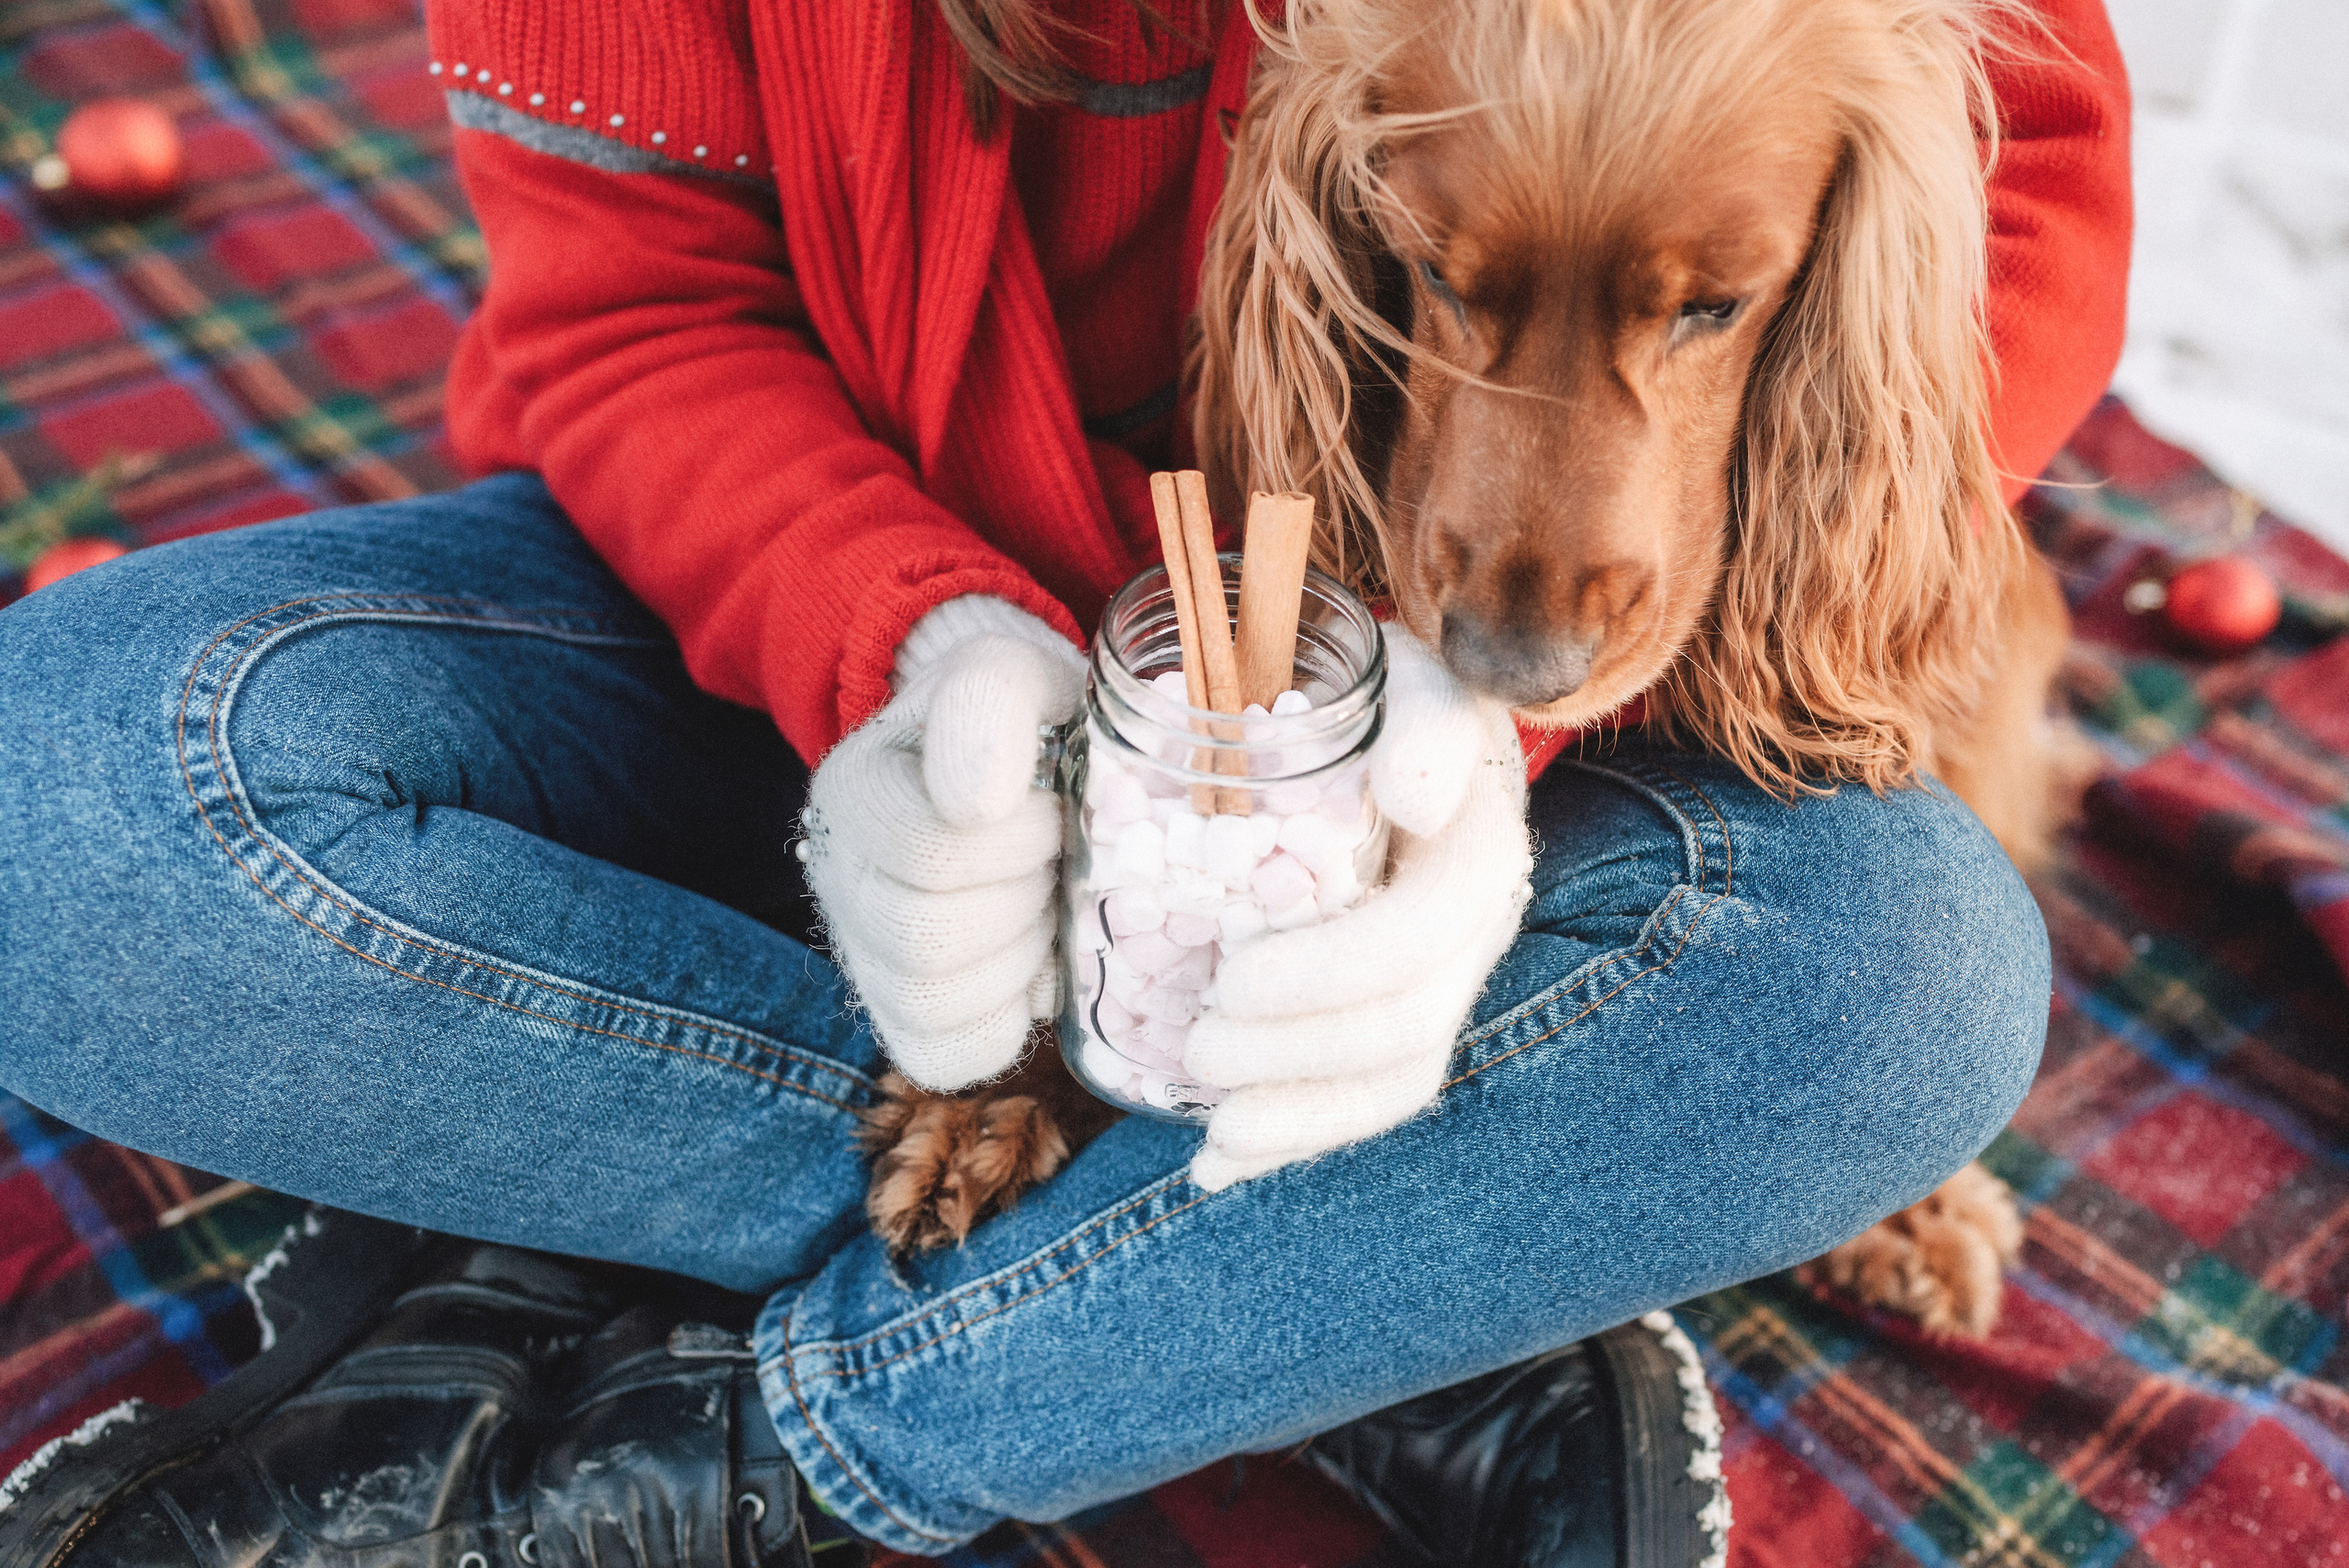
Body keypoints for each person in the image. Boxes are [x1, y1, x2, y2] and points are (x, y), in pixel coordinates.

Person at [0, 0, 2131, 1563]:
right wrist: (907, 660)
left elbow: (2005, 155)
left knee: (1904, 984)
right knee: (59, 804)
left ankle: (631, 1475)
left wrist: (1476, 757)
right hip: (825, 623)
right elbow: (634, 316)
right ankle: (1380, 1287)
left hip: (1454, 734)